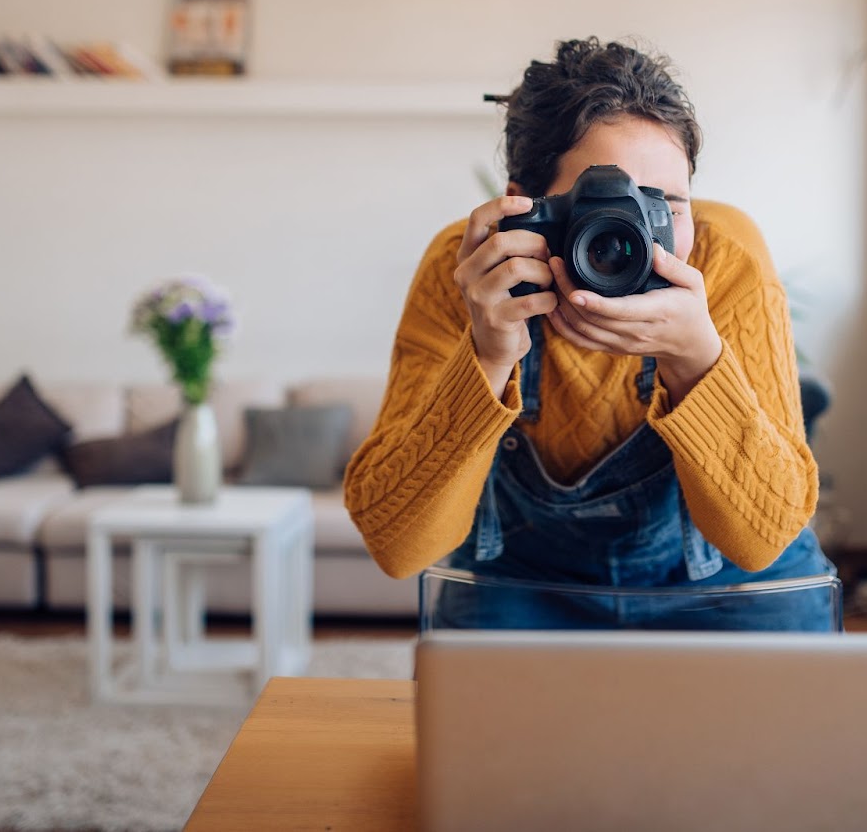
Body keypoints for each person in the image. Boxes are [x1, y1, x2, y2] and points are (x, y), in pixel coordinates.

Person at [344, 37, 834, 630]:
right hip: (528, 580)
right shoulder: (472, 271)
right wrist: (489, 355)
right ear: (522, 206)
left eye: (664, 204)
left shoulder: (723, 260)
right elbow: (396, 546)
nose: (632, 237)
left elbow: (763, 540)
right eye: (595, 206)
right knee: (473, 725)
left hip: (727, 584)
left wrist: (695, 359)